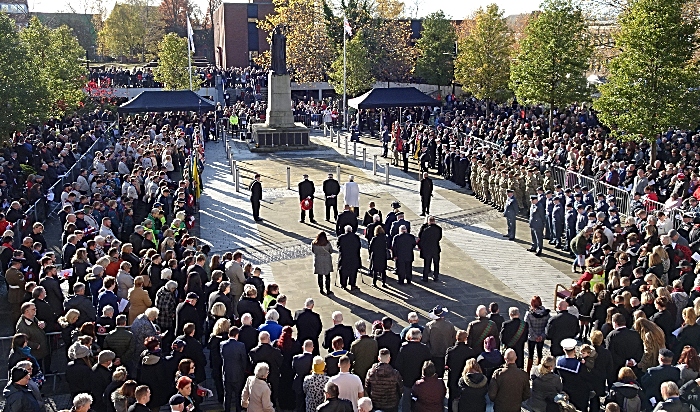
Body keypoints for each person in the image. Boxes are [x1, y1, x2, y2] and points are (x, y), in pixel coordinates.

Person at [396, 328, 431, 412]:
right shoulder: (425, 349)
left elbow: (398, 365)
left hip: (407, 380)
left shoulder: (404, 348)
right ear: (420, 337)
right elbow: (429, 364)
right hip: (420, 379)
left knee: (406, 402)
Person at [249, 331, 283, 406]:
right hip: (273, 377)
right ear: (268, 339)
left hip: (259, 378)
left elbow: (251, 366)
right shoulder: (276, 351)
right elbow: (280, 364)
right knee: (272, 396)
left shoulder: (253, 352)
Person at [556, 339, 589, 412]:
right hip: (577, 392)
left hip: (564, 388)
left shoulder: (558, 361)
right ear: (574, 350)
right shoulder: (579, 365)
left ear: (564, 350)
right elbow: (585, 378)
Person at [364, 348, 403, 412]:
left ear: (378, 358)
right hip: (391, 405)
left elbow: (367, 387)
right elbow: (400, 389)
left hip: (375, 403)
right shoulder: (395, 373)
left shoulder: (371, 372)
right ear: (389, 359)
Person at [421, 305, 455, 377]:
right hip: (446, 354)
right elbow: (454, 339)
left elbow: (424, 340)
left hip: (433, 354)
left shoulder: (429, 325)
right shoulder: (450, 325)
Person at [221, 326, 248, 412]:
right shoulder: (241, 345)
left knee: (227, 395)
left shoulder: (222, 345)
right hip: (238, 374)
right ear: (237, 335)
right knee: (238, 395)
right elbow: (244, 360)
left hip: (227, 373)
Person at [292, 340, 315, 412]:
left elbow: (294, 369)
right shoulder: (314, 359)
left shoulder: (296, 358)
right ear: (312, 348)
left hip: (298, 383)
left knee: (299, 404)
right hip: (310, 384)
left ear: (302, 347)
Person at [417, 216, 442, 282]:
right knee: (436, 263)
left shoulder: (426, 230)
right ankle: (436, 276)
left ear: (429, 221)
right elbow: (439, 238)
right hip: (436, 248)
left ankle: (425, 277)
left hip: (427, 249)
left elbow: (421, 237)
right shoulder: (439, 229)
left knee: (427, 263)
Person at [337, 225, 361, 291]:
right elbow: (359, 246)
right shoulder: (356, 237)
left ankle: (343, 285)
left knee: (343, 271)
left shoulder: (341, 237)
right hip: (354, 257)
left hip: (344, 257)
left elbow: (338, 246)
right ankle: (352, 284)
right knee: (353, 271)